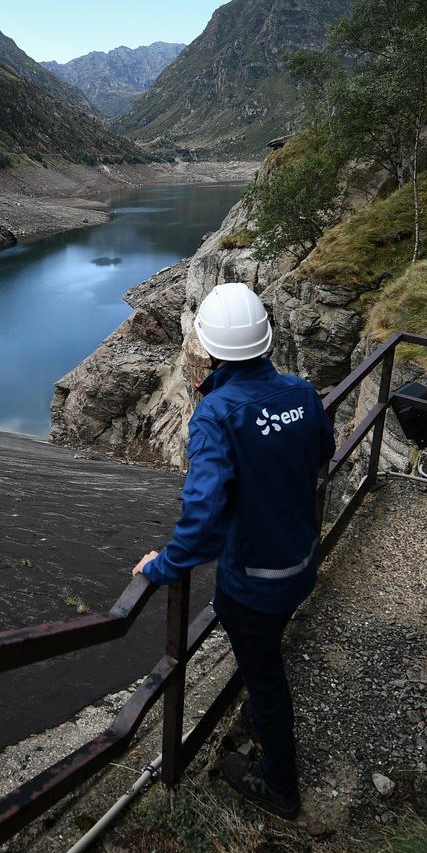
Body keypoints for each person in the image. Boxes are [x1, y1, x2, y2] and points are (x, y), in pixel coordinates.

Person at [132, 281, 334, 821]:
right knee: (264, 655)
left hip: (253, 582)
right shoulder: (302, 392)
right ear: (264, 338)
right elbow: (321, 456)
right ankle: (259, 716)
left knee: (266, 678)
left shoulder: (217, 413)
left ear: (210, 345)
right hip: (300, 561)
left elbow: (202, 515)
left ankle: (280, 786)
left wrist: (164, 565)